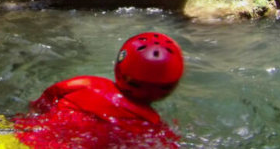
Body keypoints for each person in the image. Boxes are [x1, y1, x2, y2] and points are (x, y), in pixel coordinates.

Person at [11, 32, 185, 148]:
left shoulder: (85, 84)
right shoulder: (154, 125)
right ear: (172, 86)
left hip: (17, 140)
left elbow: (39, 105)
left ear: (119, 67)